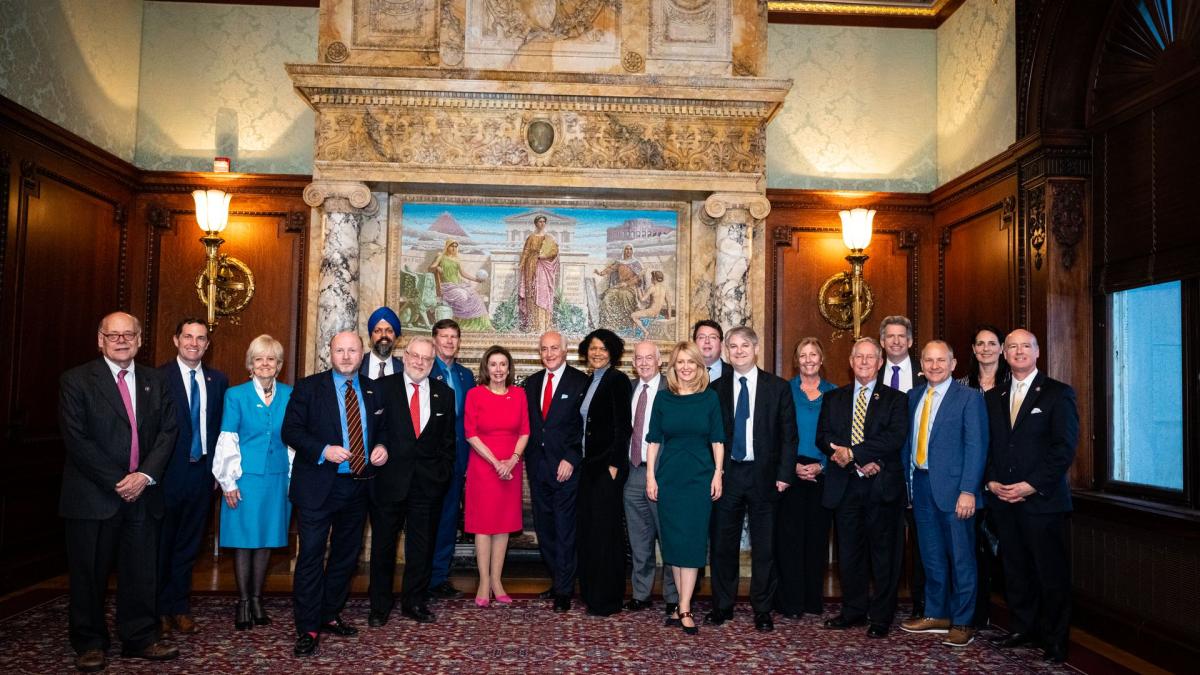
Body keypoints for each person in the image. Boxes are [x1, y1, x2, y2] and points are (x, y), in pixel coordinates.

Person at [59, 312, 180, 672]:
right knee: (88, 574)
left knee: (141, 571)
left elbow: (168, 432)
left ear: (140, 340)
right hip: (93, 496)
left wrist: (143, 475)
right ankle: (89, 642)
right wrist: (119, 480)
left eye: (129, 335)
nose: (122, 341)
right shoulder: (77, 380)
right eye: (114, 335)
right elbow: (76, 440)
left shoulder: (156, 381)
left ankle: (141, 637)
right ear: (101, 340)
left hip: (143, 493)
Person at [282, 331, 389, 657]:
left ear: (361, 354)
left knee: (346, 555)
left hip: (358, 486)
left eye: (352, 350)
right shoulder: (308, 387)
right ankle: (308, 627)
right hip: (317, 486)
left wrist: (382, 447)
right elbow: (291, 431)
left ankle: (329, 612)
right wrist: (324, 450)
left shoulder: (373, 390)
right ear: (331, 353)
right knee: (312, 555)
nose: (346, 356)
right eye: (340, 350)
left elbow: (382, 432)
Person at [985, 329, 1078, 664]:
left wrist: (1030, 485)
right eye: (1012, 347)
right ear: (1004, 354)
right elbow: (992, 446)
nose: (1019, 351)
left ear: (1037, 352)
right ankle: (1023, 628)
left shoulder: (1058, 394)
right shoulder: (993, 396)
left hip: (1042, 501)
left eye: (1025, 346)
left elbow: (1063, 449)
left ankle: (1055, 639)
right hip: (1003, 499)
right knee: (1016, 570)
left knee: (1049, 573)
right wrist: (991, 481)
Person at [707, 326, 798, 632]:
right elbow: (709, 436)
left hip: (765, 477)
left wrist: (785, 475)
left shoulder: (778, 387)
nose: (739, 351)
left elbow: (789, 437)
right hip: (727, 475)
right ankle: (722, 606)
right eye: (732, 346)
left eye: (744, 345)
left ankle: (762, 609)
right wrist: (713, 474)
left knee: (764, 546)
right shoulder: (715, 388)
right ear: (726, 352)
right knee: (722, 545)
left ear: (755, 349)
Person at [899, 341, 988, 648]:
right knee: (931, 555)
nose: (934, 366)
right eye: (929, 360)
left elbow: (977, 447)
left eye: (941, 360)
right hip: (920, 486)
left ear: (953, 364)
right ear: (920, 365)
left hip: (955, 491)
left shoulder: (969, 398)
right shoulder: (914, 397)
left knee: (961, 557)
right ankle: (937, 613)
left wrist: (968, 491)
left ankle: (964, 620)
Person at [817, 337, 908, 639]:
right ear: (851, 361)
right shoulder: (834, 398)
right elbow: (823, 436)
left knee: (883, 555)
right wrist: (846, 457)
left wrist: (856, 454)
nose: (865, 362)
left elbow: (894, 438)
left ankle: (881, 616)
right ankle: (853, 610)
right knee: (849, 554)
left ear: (880, 362)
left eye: (871, 357)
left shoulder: (896, 399)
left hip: (881, 487)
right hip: (845, 487)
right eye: (859, 357)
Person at [368, 336, 457, 625]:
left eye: (426, 359)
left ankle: (414, 602)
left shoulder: (444, 393)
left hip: (427, 485)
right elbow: (372, 431)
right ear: (404, 356)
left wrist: (441, 475)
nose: (419, 362)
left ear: (433, 363)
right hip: (389, 482)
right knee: (383, 547)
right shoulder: (382, 388)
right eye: (415, 356)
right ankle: (380, 606)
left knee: (421, 547)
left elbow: (448, 442)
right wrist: (377, 451)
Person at [212, 335, 292, 630]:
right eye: (259, 359)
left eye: (271, 359)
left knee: (267, 540)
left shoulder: (289, 394)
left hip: (277, 477)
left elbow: (293, 440)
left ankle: (258, 599)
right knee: (245, 541)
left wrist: (293, 478)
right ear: (251, 364)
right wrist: (228, 481)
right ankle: (244, 601)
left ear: (279, 364)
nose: (265, 364)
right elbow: (228, 438)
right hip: (244, 478)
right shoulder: (236, 395)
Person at [645, 341, 725, 635]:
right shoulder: (664, 399)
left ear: (699, 366)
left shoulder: (710, 399)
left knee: (691, 543)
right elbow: (653, 440)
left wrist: (718, 474)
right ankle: (681, 605)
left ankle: (686, 607)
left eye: (691, 362)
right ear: (674, 367)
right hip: (669, 478)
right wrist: (651, 477)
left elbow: (718, 439)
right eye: (680, 362)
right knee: (674, 545)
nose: (686, 367)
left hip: (699, 477)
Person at [156, 318, 227, 636]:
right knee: (161, 545)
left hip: (202, 474)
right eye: (188, 337)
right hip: (167, 474)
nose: (194, 343)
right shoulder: (158, 378)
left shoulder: (218, 380)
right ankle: (157, 609)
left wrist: (218, 470)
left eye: (201, 338)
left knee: (189, 545)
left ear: (207, 345)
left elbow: (220, 430)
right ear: (176, 340)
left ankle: (179, 606)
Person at [524, 330, 589, 612]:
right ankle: (556, 580)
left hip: (566, 470)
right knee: (545, 529)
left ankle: (564, 589)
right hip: (538, 468)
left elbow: (584, 428)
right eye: (544, 349)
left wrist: (572, 458)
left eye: (554, 349)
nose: (549, 354)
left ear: (565, 351)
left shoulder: (580, 382)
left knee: (565, 529)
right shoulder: (531, 383)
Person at [775, 337, 837, 619]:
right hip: (791, 472)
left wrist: (822, 465)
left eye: (814, 355)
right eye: (803, 355)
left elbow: (840, 435)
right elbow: (775, 434)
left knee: (816, 538)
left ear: (821, 360)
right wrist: (791, 467)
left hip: (823, 471)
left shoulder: (834, 392)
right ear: (796, 360)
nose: (809, 360)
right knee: (790, 539)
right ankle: (791, 602)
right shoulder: (784, 391)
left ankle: (813, 600)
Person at [463, 345, 529, 606]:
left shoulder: (520, 395)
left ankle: (497, 581)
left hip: (511, 468)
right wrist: (495, 463)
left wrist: (511, 461)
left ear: (509, 368)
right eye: (493, 364)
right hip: (483, 467)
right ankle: (483, 582)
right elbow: (471, 433)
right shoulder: (475, 395)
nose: (499, 369)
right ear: (486, 368)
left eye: (503, 364)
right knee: (483, 526)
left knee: (503, 526)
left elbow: (525, 431)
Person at [575, 329, 634, 616]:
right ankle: (591, 592)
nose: (597, 353)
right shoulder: (590, 381)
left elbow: (624, 427)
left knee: (606, 534)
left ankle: (608, 598)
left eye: (603, 349)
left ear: (612, 353)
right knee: (590, 532)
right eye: (593, 348)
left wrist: (614, 465)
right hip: (588, 468)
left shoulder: (617, 380)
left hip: (606, 468)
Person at [956, 324, 1009, 629]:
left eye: (992, 343)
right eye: (980, 344)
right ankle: (976, 611)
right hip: (970, 477)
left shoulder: (1011, 383)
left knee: (1003, 548)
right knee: (973, 548)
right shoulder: (961, 386)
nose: (986, 348)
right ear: (973, 350)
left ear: (1001, 348)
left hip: (1005, 478)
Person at [875, 315, 927, 620]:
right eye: (889, 336)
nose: (895, 341)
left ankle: (922, 605)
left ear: (909, 341)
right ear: (882, 342)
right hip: (884, 474)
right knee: (887, 544)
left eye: (901, 336)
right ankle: (885, 605)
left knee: (924, 544)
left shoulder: (926, 377)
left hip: (921, 472)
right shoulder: (871, 375)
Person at [622, 341, 680, 616]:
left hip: (664, 474)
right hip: (634, 471)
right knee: (639, 538)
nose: (644, 363)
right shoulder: (629, 390)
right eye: (638, 359)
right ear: (633, 363)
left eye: (649, 358)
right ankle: (641, 593)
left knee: (667, 536)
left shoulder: (674, 389)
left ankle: (673, 595)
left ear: (660, 361)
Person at [428, 319, 477, 600]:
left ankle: (439, 577)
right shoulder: (425, 368)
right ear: (434, 340)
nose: (449, 341)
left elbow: (470, 420)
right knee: (426, 520)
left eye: (453, 337)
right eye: (444, 336)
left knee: (448, 519)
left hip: (459, 459)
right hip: (430, 461)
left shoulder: (465, 375)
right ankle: (422, 577)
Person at [430, 240, 494, 331]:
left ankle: (484, 324)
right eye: (452, 246)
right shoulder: (441, 256)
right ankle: (461, 322)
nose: (454, 248)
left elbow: (463, 274)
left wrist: (476, 280)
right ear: (447, 246)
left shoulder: (457, 259)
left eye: (456, 246)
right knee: (462, 296)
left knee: (475, 297)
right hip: (447, 287)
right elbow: (431, 267)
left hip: (459, 284)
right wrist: (437, 268)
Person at [517, 215, 559, 333]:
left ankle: (544, 325)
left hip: (543, 266)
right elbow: (525, 251)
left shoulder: (549, 238)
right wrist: (521, 264)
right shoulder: (531, 237)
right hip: (531, 265)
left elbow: (554, 251)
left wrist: (545, 255)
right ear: (535, 223)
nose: (542, 224)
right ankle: (533, 325)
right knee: (532, 292)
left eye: (543, 222)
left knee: (543, 292)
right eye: (539, 222)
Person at [594, 244, 645, 332]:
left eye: (630, 249)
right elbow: (610, 269)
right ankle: (609, 323)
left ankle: (625, 323)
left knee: (624, 296)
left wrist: (627, 283)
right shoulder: (619, 262)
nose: (628, 251)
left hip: (630, 288)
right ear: (623, 251)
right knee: (608, 297)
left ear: (632, 251)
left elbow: (638, 278)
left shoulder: (636, 263)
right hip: (619, 286)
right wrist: (600, 273)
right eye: (626, 249)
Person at [360, 307, 403, 380]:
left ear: (396, 339)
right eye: (377, 331)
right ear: (371, 337)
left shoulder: (404, 370)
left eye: (389, 331)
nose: (383, 335)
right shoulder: (358, 365)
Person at [630, 270, 669, 337]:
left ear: (654, 278)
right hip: (657, 313)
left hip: (651, 312)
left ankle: (645, 332)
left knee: (633, 315)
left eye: (651, 277)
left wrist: (638, 288)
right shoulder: (664, 288)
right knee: (637, 311)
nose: (650, 279)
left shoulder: (652, 288)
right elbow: (669, 303)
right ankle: (633, 334)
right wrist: (669, 316)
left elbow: (642, 299)